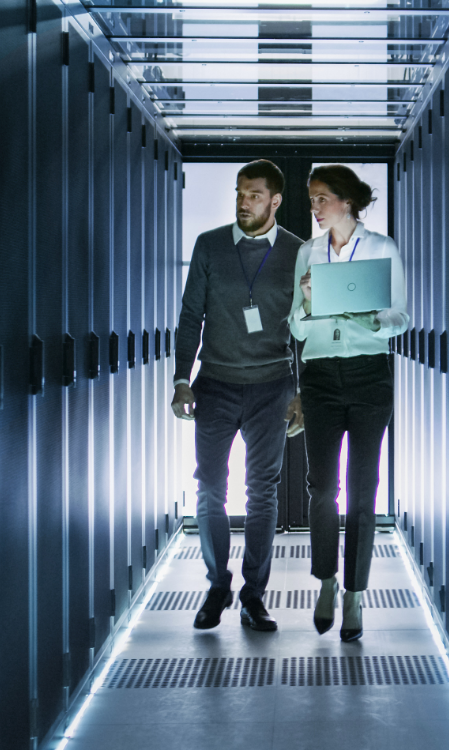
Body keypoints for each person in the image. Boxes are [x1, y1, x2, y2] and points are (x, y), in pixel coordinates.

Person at [171, 159, 305, 633]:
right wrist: (180, 379)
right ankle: (216, 585)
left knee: (261, 493)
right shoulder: (209, 246)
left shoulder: (297, 252)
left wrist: (301, 393)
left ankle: (253, 594)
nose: (244, 203)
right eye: (239, 194)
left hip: (272, 386)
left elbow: (307, 329)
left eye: (254, 196)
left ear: (275, 201)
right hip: (217, 383)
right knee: (209, 488)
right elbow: (191, 318)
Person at [288, 164, 409, 642]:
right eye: (312, 199)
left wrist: (366, 318)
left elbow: (401, 318)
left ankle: (355, 595)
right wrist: (306, 304)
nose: (314, 208)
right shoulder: (308, 252)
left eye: (321, 199)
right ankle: (326, 582)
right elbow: (296, 330)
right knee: (322, 487)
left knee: (362, 489)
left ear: (347, 202)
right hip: (319, 374)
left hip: (367, 374)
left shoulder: (381, 248)